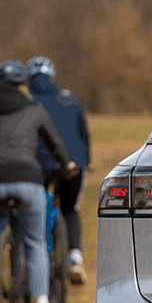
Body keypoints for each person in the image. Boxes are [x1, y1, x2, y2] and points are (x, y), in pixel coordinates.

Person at [0, 60, 76, 303]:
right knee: (35, 240)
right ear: (23, 84)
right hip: (28, 179)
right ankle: (40, 301)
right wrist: (67, 164)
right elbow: (54, 141)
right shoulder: (34, 108)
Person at [26, 56, 92, 284]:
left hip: (39, 165)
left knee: (37, 209)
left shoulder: (27, 102)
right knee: (70, 209)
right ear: (52, 76)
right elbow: (83, 133)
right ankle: (75, 257)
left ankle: (40, 256)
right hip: (74, 163)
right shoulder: (70, 99)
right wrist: (86, 161)